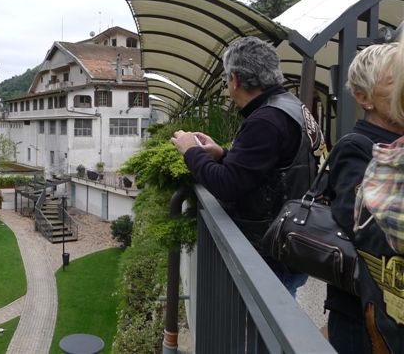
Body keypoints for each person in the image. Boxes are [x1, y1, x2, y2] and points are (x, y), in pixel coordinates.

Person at [170, 36, 323, 296]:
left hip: (270, 252)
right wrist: (222, 154)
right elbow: (273, 168)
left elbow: (227, 185)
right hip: (292, 238)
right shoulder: (291, 106)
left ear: (235, 79)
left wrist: (191, 151)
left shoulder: (266, 120)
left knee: (263, 319)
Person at [323, 43, 402, 354]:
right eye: (395, 80)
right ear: (363, 97)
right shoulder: (357, 147)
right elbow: (363, 224)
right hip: (362, 315)